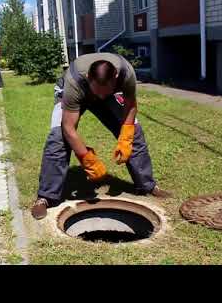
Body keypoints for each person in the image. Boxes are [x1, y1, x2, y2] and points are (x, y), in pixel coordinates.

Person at [31, 52, 172, 220]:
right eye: (98, 92)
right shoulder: (74, 82)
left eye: (106, 91)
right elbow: (68, 127)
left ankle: (147, 186)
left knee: (135, 132)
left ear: (116, 77)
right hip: (76, 92)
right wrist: (86, 158)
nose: (101, 96)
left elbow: (131, 105)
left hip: (103, 89)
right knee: (58, 138)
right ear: (89, 76)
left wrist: (126, 136)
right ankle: (46, 196)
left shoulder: (126, 74)